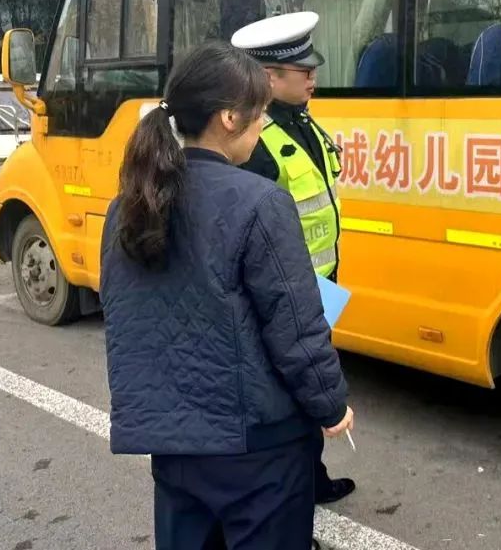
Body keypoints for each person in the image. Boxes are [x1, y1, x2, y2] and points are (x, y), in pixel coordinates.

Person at [100, 40, 353, 550]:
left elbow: (127, 316)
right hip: (255, 449)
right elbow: (296, 330)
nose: (264, 124)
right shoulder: (259, 202)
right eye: (259, 113)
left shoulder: (127, 205)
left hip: (172, 444)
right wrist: (332, 407)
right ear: (230, 119)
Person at [230, 11, 354, 505]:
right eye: (303, 71)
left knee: (307, 389)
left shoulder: (303, 124)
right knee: (288, 395)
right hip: (285, 291)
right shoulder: (257, 143)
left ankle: (312, 480)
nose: (313, 78)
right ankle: (291, 498)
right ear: (268, 78)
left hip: (320, 284)